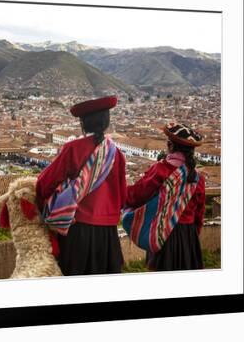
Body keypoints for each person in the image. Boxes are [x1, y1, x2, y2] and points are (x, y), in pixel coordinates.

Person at [35, 96, 127, 275]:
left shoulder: (73, 148)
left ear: (84, 124)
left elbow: (45, 183)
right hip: (108, 233)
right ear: (106, 122)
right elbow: (122, 196)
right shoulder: (117, 154)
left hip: (77, 229)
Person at [126, 123, 206, 271]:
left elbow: (138, 195)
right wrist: (192, 236)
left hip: (162, 233)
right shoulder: (197, 178)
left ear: (170, 145)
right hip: (188, 236)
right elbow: (199, 214)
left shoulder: (160, 170)